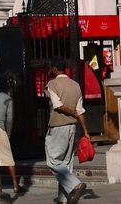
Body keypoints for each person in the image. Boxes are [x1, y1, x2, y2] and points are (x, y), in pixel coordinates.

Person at [43, 61, 87, 204]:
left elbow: (58, 106)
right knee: (66, 163)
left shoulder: (52, 85)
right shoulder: (76, 85)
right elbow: (80, 110)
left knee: (53, 161)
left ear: (54, 68)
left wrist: (72, 112)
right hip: (72, 128)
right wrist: (86, 131)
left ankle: (75, 184)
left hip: (58, 127)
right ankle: (64, 198)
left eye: (50, 68)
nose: (49, 70)